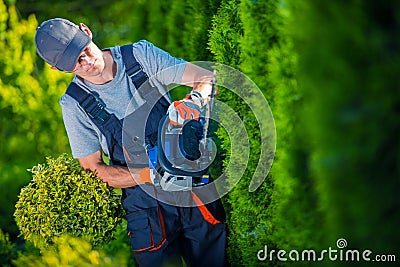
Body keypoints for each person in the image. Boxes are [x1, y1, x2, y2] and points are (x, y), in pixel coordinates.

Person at [34, 18, 228, 267]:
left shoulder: (139, 56)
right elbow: (94, 171)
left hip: (192, 186)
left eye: (84, 50)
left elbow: (205, 78)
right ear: (57, 70)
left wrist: (194, 100)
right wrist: (149, 176)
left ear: (86, 31)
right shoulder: (74, 105)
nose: (87, 62)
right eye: (76, 63)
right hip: (147, 210)